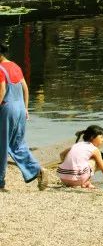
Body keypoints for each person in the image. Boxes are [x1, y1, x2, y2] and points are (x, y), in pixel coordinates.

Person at [0, 42, 45, 192]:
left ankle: (0, 182)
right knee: (18, 144)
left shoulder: (0, 69)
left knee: (2, 146)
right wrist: (26, 108)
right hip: (20, 108)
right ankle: (36, 169)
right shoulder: (15, 66)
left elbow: (2, 90)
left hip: (7, 108)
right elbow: (25, 87)